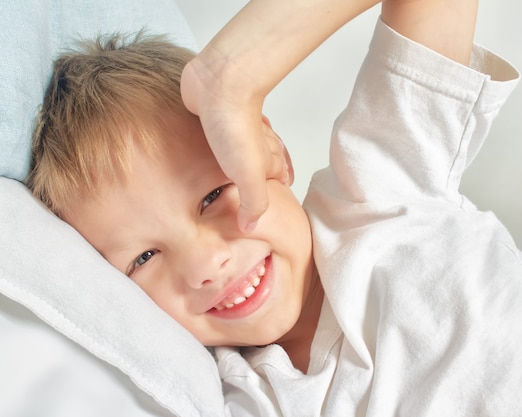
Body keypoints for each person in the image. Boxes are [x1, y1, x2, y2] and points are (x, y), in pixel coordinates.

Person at [28, 0, 522, 414]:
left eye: (211, 197)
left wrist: (232, 73)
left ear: (272, 149)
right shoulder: (231, 394)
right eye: (143, 258)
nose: (205, 264)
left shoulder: (380, 189)